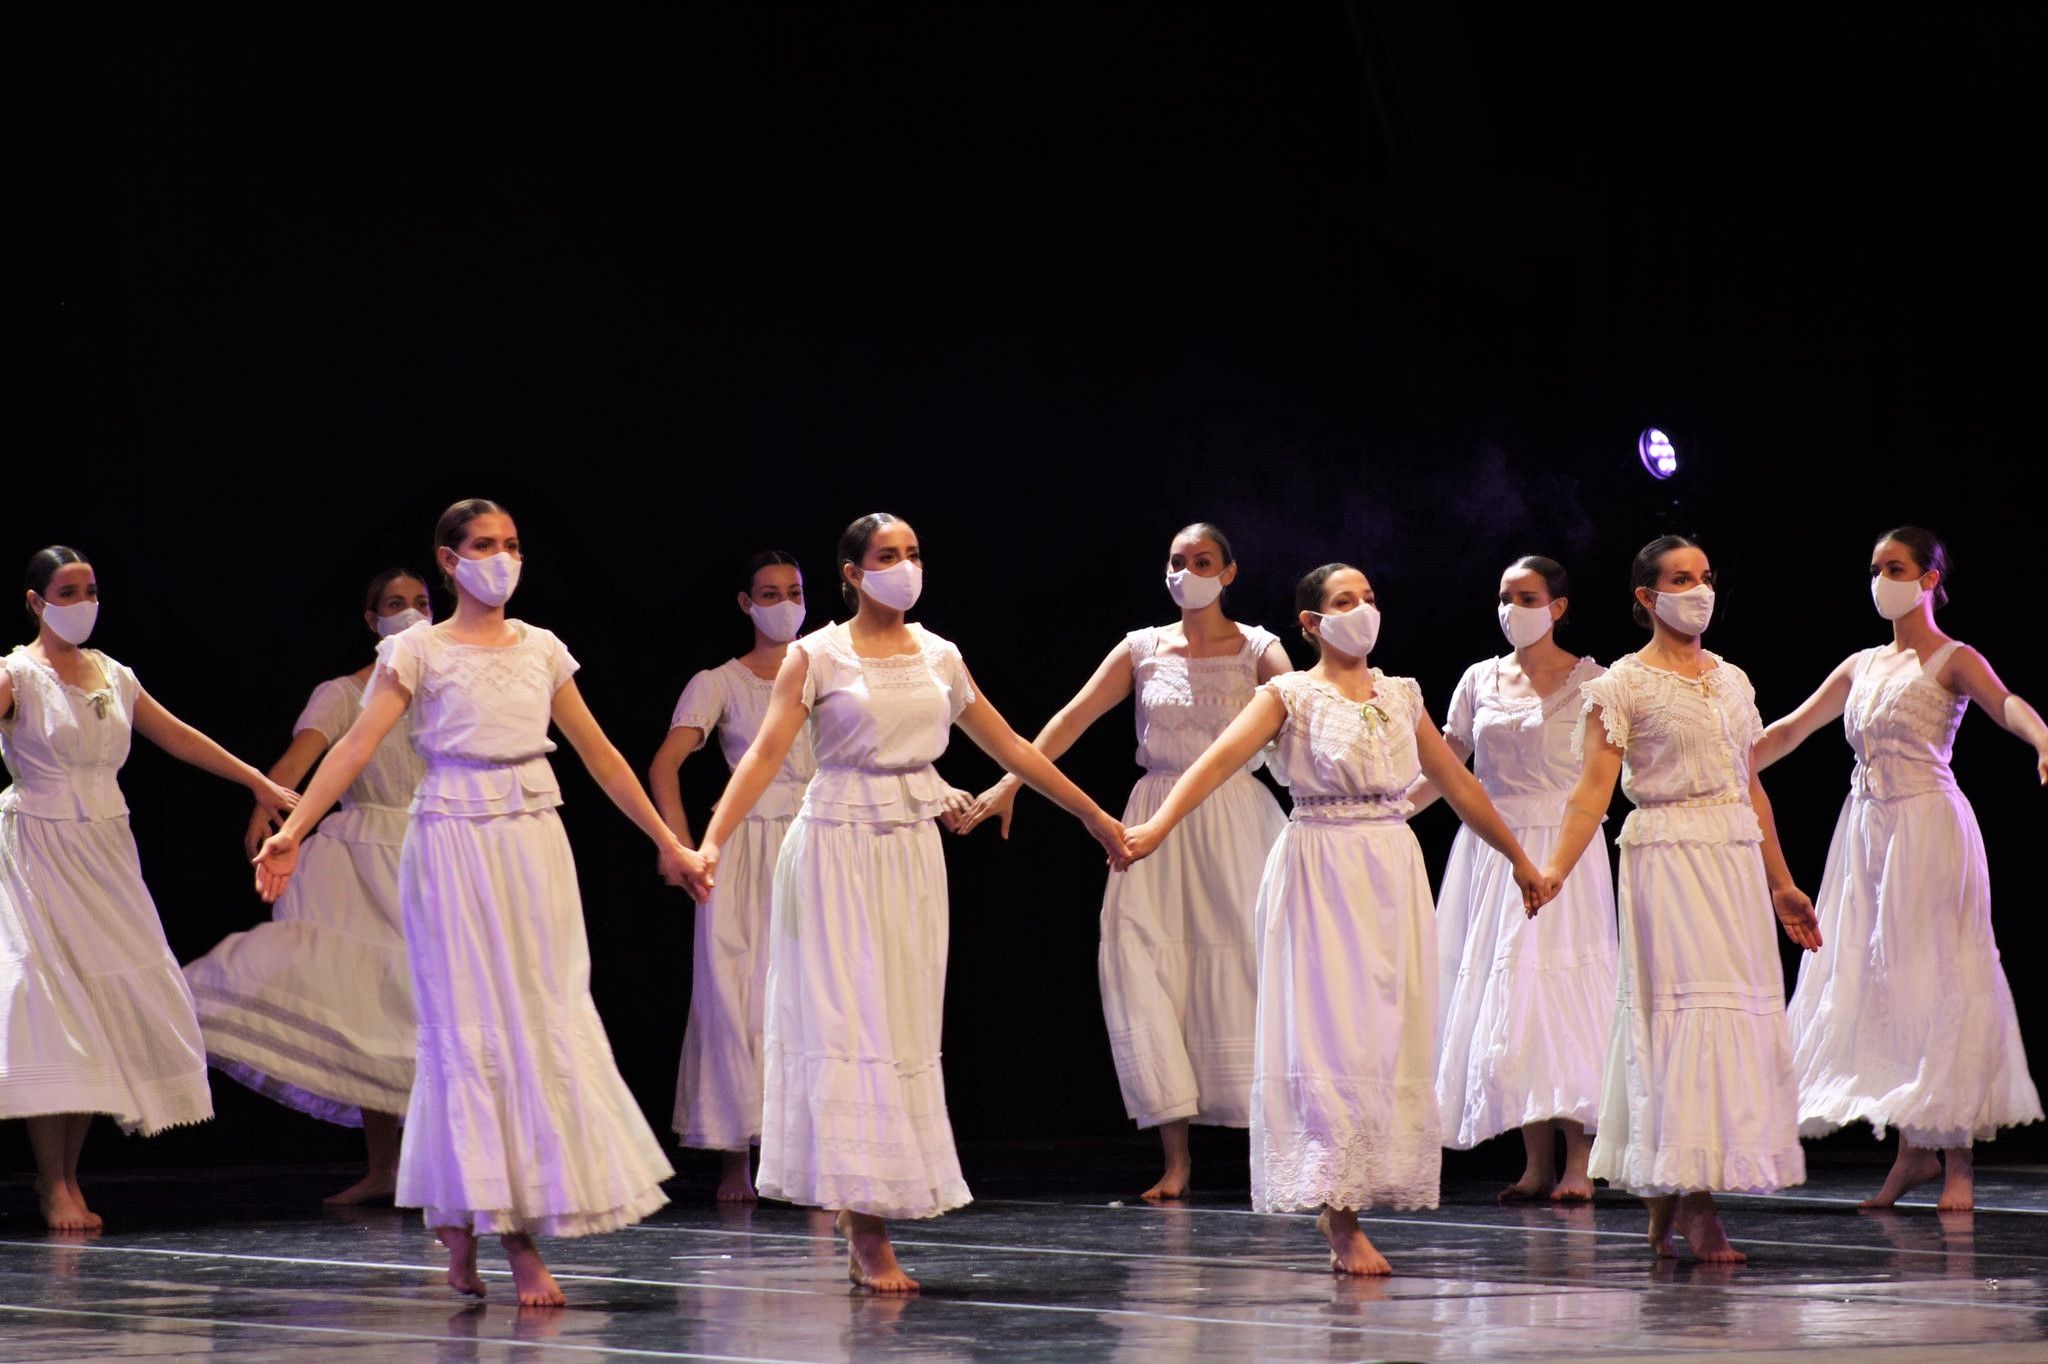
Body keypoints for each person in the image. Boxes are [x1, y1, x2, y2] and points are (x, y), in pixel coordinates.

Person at [254, 500, 704, 1307]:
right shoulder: (417, 650)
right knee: (472, 1027)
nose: (503, 558)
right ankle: (513, 1240)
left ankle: (459, 1219)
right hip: (453, 842)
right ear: (448, 561)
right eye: (485, 546)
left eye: (513, 545)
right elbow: (356, 744)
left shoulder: (541, 649)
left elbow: (601, 757)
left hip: (532, 837)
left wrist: (667, 842)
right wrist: (293, 829)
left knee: (538, 1017)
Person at [3, 545, 297, 1230]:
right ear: (36, 602)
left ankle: (70, 1175)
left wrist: (254, 779)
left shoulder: (112, 675)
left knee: (101, 1011)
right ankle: (56, 1185)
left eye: (91, 589)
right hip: (37, 853)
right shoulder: (16, 675)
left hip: (104, 854)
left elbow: (179, 737)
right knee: (57, 1013)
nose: (83, 601)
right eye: (68, 591)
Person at [1756, 526, 2044, 1211]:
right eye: (1876, 567)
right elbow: (1791, 729)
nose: (1882, 578)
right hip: (1866, 835)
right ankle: (1912, 1152)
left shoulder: (1952, 658)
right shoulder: (1861, 665)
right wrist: (1718, 763)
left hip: (1929, 829)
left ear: (1929, 579)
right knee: (1881, 975)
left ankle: (1958, 1163)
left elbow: (2006, 703)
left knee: (1940, 973)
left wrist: (2040, 738)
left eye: (1896, 567)